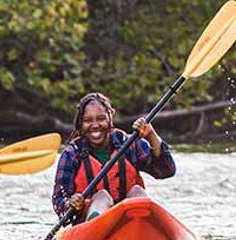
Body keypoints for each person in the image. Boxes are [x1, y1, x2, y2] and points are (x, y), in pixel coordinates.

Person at [52, 92, 176, 224]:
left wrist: (151, 135)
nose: (95, 125)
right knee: (102, 197)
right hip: (89, 224)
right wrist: (70, 204)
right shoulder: (72, 154)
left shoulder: (128, 143)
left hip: (130, 219)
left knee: (137, 191)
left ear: (110, 117)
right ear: (80, 124)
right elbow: (59, 201)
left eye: (101, 119)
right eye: (88, 121)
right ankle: (97, 225)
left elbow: (166, 170)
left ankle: (143, 224)